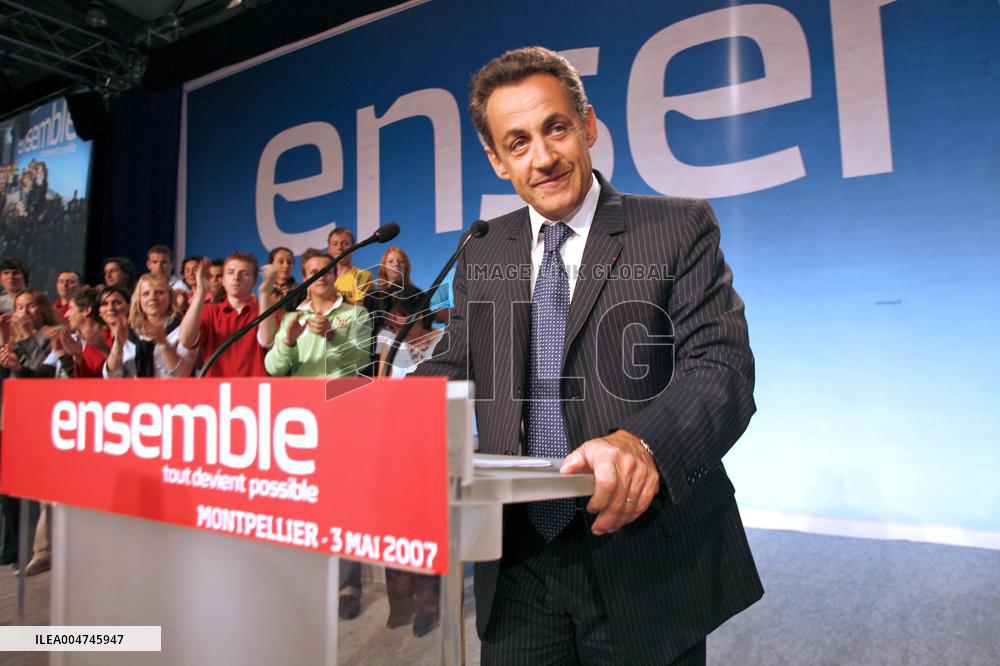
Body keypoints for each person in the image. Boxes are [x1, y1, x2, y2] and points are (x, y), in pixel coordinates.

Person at [413, 47, 761, 664]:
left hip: (643, 552)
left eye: (556, 128)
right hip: (518, 559)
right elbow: (454, 360)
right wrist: (362, 412)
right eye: (517, 143)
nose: (543, 158)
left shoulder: (676, 228)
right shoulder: (484, 250)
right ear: (496, 160)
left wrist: (641, 443)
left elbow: (721, 367)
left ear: (589, 125)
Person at [261, 248, 371, 619]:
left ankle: (347, 584)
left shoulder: (355, 313)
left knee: (343, 502)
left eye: (325, 269)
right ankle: (304, 578)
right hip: (300, 422)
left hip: (343, 414)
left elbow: (360, 360)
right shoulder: (292, 317)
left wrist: (333, 339)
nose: (320, 275)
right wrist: (289, 341)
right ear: (305, 278)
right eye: (312, 271)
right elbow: (274, 368)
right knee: (304, 499)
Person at [376, 284, 444, 636]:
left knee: (423, 528)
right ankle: (400, 602)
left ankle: (429, 606)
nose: (391, 320)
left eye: (398, 314)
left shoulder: (442, 342)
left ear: (416, 314)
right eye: (390, 315)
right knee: (392, 528)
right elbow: (380, 386)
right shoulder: (387, 342)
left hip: (429, 446)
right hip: (393, 445)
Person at [179, 252, 267, 378]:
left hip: (255, 391)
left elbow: (267, 340)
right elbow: (185, 340)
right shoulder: (209, 311)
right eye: (230, 272)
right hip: (216, 392)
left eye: (245, 273)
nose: (236, 277)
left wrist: (265, 296)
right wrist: (201, 291)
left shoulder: (265, 312)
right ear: (223, 280)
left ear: (254, 281)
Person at [105, 273, 196, 378]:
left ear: (170, 297)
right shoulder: (128, 330)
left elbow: (182, 374)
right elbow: (111, 376)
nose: (152, 298)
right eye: (146, 294)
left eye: (159, 293)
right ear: (138, 300)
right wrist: (118, 343)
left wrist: (163, 342)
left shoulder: (182, 328)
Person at [327, 228, 374, 305]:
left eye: (345, 243)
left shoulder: (362, 275)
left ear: (353, 248)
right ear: (329, 249)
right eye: (335, 244)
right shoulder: (323, 279)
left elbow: (359, 310)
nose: (339, 248)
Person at [265, 246, 303, 312]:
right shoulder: (265, 292)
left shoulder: (301, 292)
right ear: (271, 264)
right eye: (281, 262)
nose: (286, 266)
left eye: (289, 262)